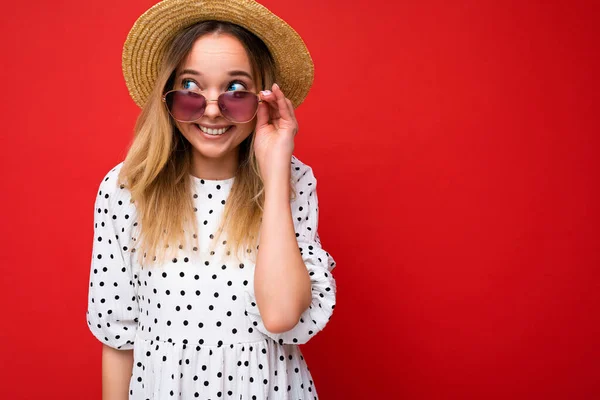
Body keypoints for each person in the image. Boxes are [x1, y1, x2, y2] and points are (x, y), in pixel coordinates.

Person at [85, 0, 338, 399]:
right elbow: (118, 340)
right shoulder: (126, 189)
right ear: (168, 97)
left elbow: (281, 315)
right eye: (191, 88)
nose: (214, 110)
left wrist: (274, 171)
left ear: (263, 99)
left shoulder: (292, 182)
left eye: (236, 90)